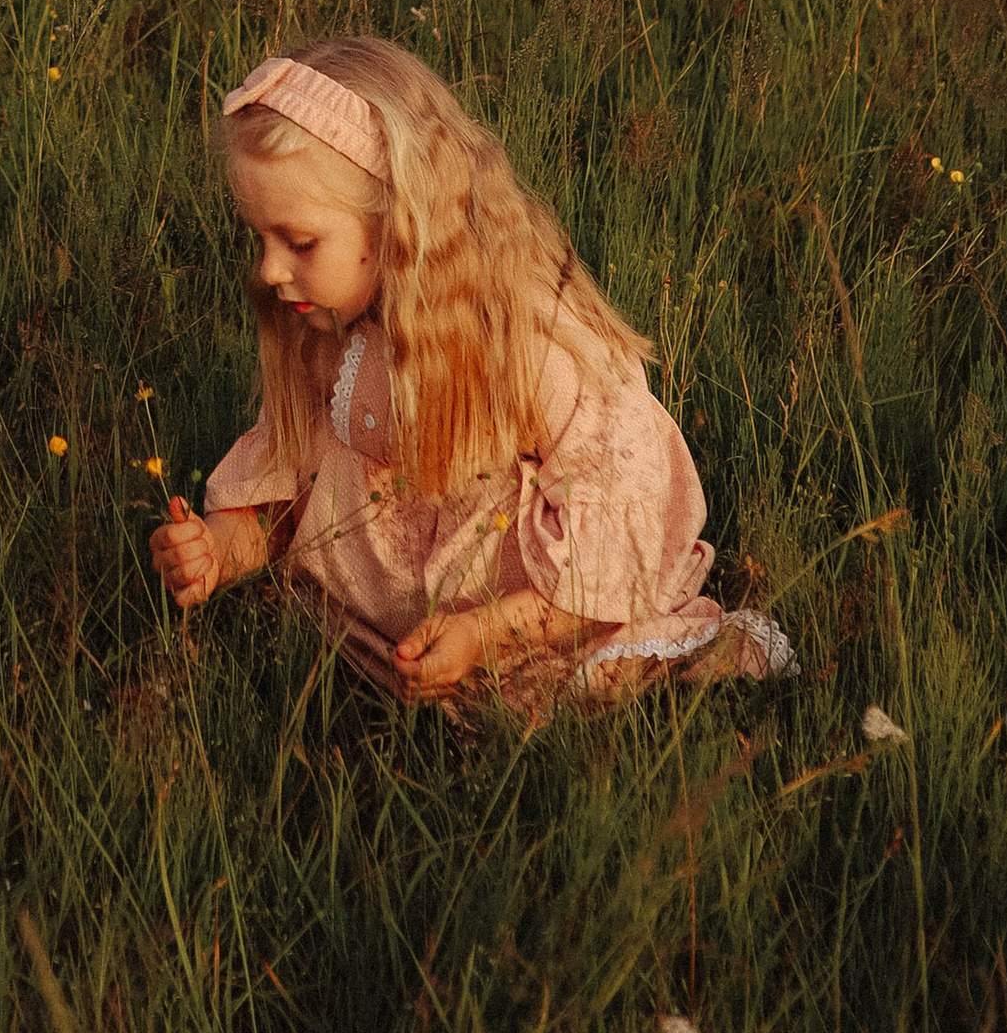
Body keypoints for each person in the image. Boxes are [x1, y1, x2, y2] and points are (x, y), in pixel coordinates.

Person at [149, 36, 790, 705]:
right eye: (260, 237)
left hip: (540, 624)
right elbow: (292, 495)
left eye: (299, 242)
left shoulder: (529, 339)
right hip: (389, 640)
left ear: (398, 222)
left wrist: (485, 632)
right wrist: (217, 551)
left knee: (593, 691)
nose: (269, 270)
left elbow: (615, 542)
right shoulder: (326, 327)